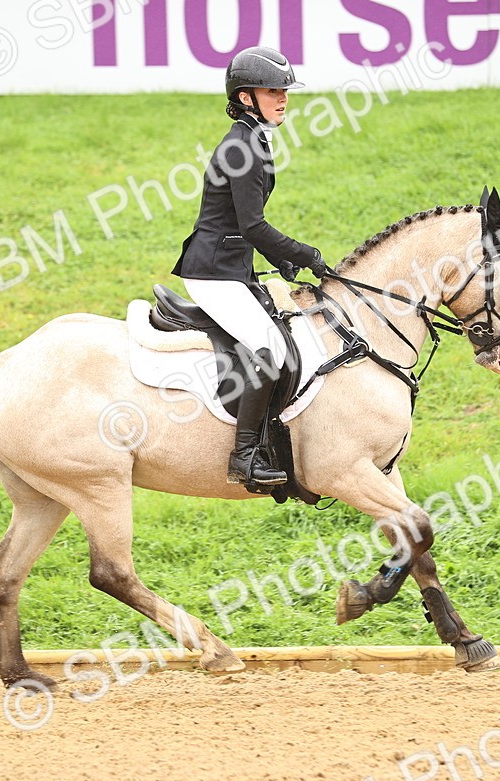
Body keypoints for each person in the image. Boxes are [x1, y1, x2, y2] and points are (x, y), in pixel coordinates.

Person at [171, 46, 328, 487]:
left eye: (285, 91)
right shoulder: (242, 148)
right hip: (212, 272)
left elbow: (247, 228)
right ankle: (245, 457)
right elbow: (253, 226)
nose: (283, 99)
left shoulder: (253, 139)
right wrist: (304, 254)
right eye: (273, 90)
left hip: (230, 265)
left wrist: (282, 260)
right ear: (245, 98)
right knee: (269, 350)